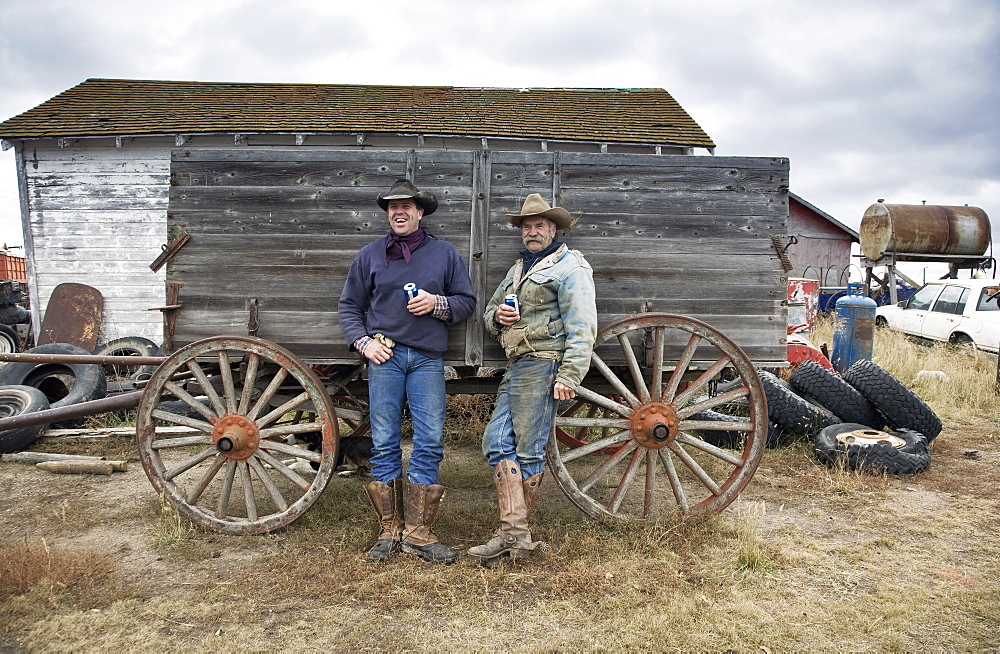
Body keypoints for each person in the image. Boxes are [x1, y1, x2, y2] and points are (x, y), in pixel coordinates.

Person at [339, 179, 476, 565]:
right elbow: (349, 306)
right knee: (384, 442)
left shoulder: (444, 254)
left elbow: (465, 303)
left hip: (428, 359)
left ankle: (418, 532)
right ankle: (389, 530)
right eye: (392, 207)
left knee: (429, 440)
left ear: (420, 212)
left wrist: (436, 304)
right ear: (388, 214)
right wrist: (364, 343)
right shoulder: (369, 256)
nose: (398, 212)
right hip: (385, 357)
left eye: (406, 207)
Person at [468, 193, 597, 564]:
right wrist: (499, 319)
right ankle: (515, 535)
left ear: (553, 229)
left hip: (545, 363)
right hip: (520, 363)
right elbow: (492, 309)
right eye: (527, 226)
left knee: (524, 447)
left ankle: (514, 535)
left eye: (540, 225)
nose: (532, 231)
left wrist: (570, 374)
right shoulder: (519, 268)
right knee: (498, 441)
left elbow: (582, 325)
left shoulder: (569, 267)